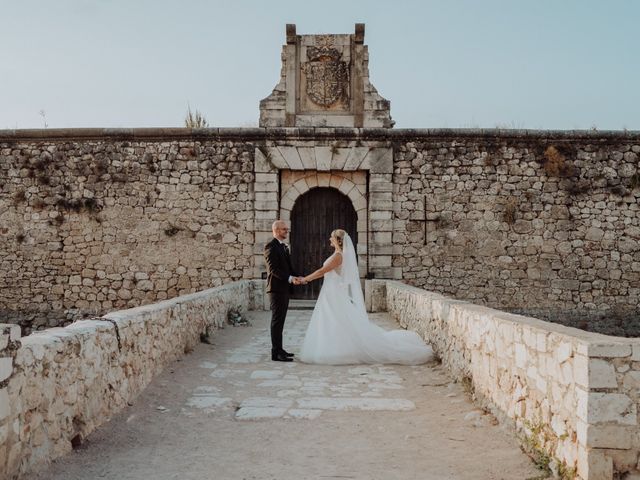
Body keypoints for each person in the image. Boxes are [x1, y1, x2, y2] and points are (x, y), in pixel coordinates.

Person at [298, 229, 433, 365]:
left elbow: (322, 271)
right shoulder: (337, 255)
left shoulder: (338, 256)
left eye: (332, 237)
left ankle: (337, 350)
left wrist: (306, 279)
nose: (329, 239)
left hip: (333, 293)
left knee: (336, 320)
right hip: (330, 292)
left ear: (338, 241)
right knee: (332, 320)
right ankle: (332, 348)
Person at [264, 220, 301, 362]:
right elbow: (273, 270)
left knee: (281, 321)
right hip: (276, 289)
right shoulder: (270, 246)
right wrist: (291, 278)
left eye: (287, 229)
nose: (287, 231)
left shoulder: (283, 247)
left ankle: (280, 349)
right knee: (277, 321)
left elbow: (287, 267)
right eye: (285, 229)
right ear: (277, 230)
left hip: (284, 289)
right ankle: (276, 352)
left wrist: (297, 277)